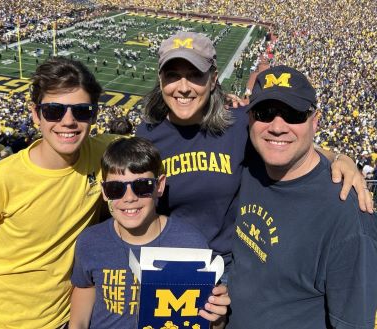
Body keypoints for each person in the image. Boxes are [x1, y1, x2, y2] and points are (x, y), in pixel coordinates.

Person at [135, 31, 373, 275]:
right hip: (168, 265)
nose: (183, 88)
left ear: (213, 78)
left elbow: (295, 147)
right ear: (161, 79)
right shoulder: (145, 135)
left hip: (227, 268)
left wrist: (341, 159)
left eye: (195, 75)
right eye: (172, 76)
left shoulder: (238, 122)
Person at [227, 65, 377, 328]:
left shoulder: (346, 211)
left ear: (315, 121)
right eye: (265, 113)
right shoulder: (248, 166)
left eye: (292, 114)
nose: (277, 126)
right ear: (250, 119)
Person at [0, 57, 118, 328]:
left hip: (65, 319)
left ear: (95, 115)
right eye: (54, 111)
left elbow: (162, 142)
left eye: (81, 111)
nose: (68, 121)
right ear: (35, 114)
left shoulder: (105, 153)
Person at [69, 137, 229, 329]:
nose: (129, 198)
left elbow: (210, 321)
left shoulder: (190, 243)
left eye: (142, 186)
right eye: (115, 188)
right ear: (104, 191)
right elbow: (85, 290)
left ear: (159, 186)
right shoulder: (90, 241)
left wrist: (218, 318)